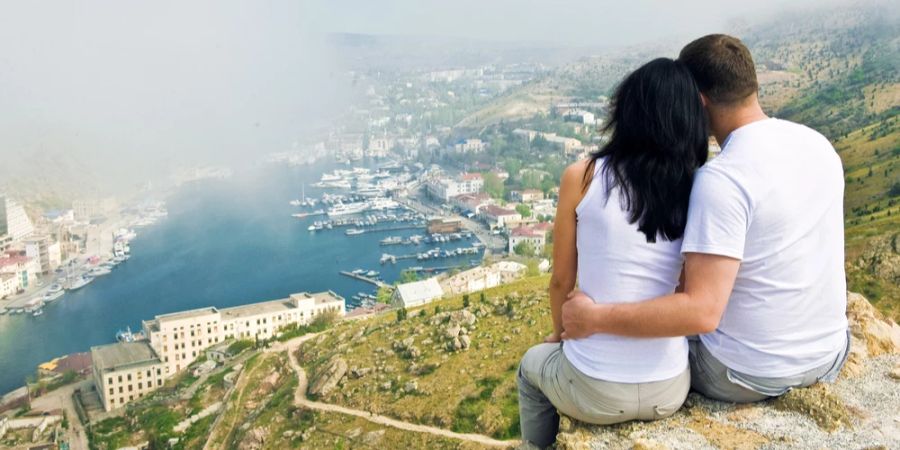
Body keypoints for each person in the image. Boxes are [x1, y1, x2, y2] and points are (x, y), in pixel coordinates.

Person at [561, 34, 850, 404]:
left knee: (656, 359)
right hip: (829, 353)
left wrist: (595, 319)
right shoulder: (817, 144)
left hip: (749, 373)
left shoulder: (723, 180)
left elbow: (701, 313)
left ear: (697, 102)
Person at [517, 57, 709, 449]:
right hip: (668, 391)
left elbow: (561, 281)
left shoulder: (583, 176)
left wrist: (561, 334)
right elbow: (687, 289)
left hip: (593, 390)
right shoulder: (697, 188)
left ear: (627, 112)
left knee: (529, 370)